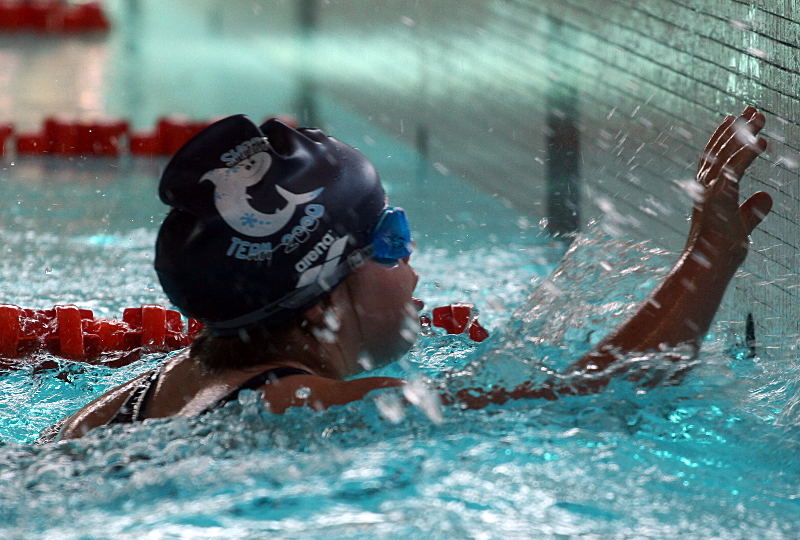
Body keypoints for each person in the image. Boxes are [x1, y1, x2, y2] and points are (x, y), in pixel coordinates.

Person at [43, 106, 771, 442]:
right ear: (322, 291)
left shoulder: (148, 390)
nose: (415, 269)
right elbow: (597, 397)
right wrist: (708, 256)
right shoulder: (313, 403)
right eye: (392, 240)